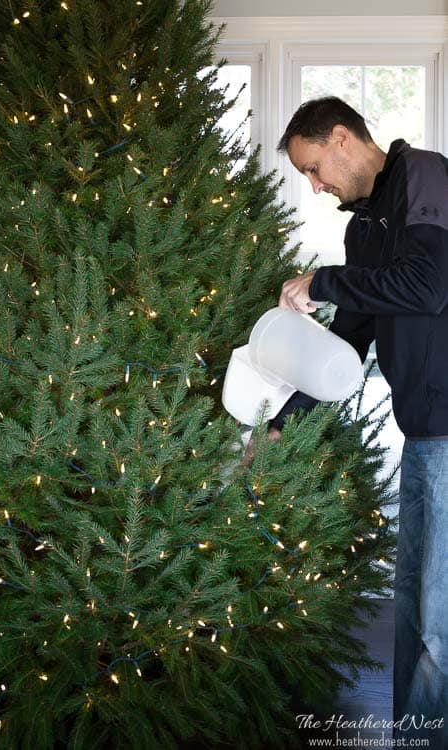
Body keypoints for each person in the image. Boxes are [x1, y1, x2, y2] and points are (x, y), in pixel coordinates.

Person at [272, 96, 448, 747]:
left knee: (438, 622)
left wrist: (323, 282)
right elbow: (347, 347)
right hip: (425, 434)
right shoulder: (362, 227)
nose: (315, 187)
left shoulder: (423, 176)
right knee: (412, 614)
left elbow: (428, 286)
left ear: (343, 139)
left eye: (314, 168)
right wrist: (281, 426)